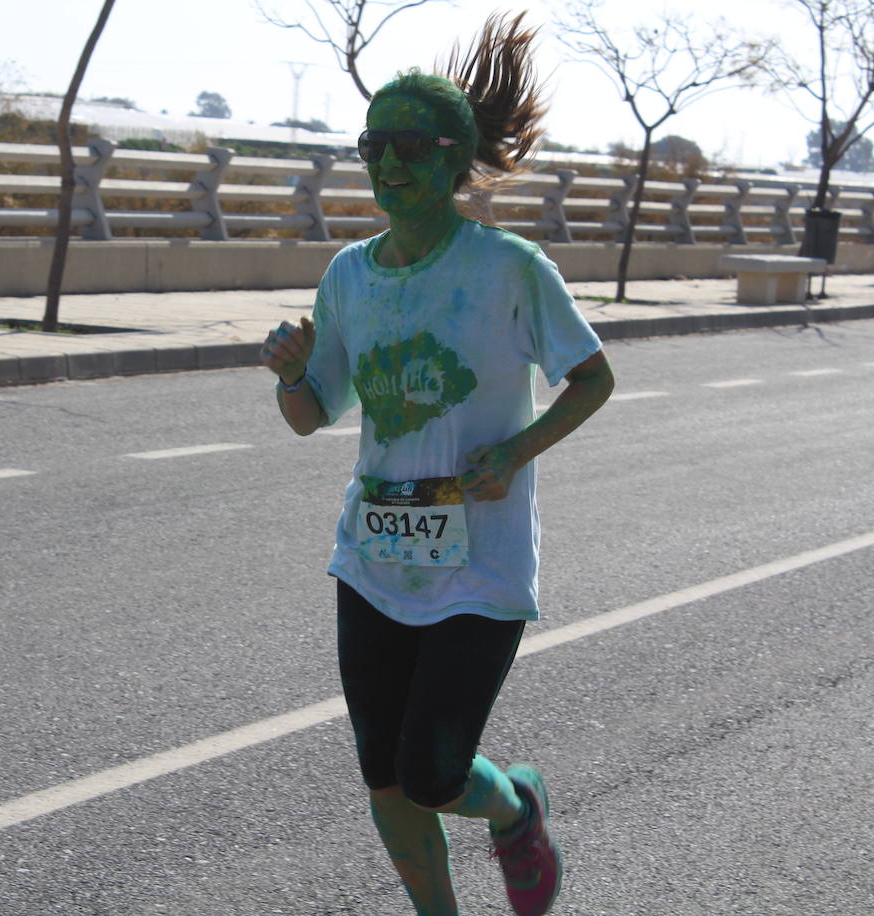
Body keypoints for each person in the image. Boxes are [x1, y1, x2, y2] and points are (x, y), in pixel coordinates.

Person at [258, 13, 614, 916]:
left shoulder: (510, 269)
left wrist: (516, 452)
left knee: (433, 771)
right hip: (372, 557)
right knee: (383, 775)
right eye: (373, 144)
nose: (388, 164)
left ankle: (516, 804)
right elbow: (311, 418)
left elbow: (592, 377)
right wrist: (292, 376)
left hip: (479, 562)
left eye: (411, 145)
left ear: (458, 161)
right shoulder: (348, 274)